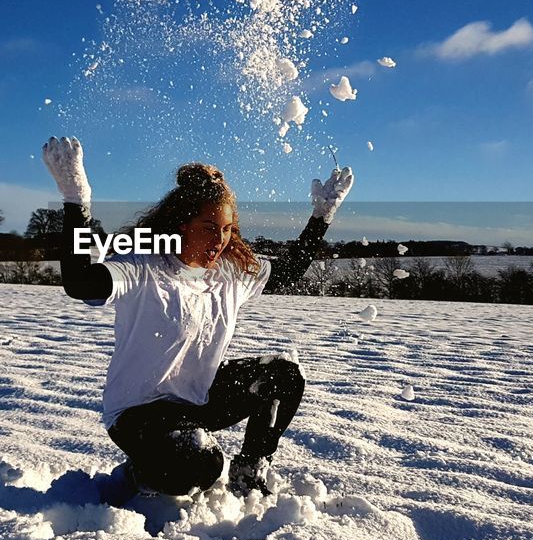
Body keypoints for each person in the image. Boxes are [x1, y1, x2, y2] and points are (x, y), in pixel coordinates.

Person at [41, 136, 354, 501]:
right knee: (200, 467)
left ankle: (251, 469)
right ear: (180, 224)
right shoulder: (144, 263)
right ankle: (137, 474)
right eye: (208, 227)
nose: (218, 240)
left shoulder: (230, 272)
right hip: (139, 412)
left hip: (198, 399)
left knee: (283, 375)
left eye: (225, 229)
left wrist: (322, 216)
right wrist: (75, 201)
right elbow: (81, 283)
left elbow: (290, 270)